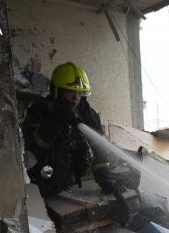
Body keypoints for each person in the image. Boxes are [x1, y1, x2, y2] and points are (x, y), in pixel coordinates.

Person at [22, 62, 131, 222]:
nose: (76, 97)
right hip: (43, 185)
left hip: (74, 185)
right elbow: (35, 146)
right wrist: (56, 121)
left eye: (79, 93)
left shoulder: (88, 115)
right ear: (57, 91)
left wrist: (104, 177)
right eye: (71, 92)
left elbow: (97, 147)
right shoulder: (39, 112)